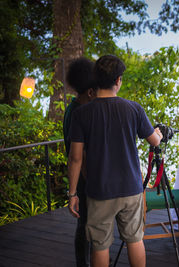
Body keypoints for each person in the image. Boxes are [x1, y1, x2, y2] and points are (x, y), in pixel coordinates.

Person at [67, 54, 163, 267]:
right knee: (135, 239)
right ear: (118, 80)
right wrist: (159, 134)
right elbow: (154, 141)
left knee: (100, 245)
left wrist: (73, 193)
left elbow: (75, 159)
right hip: (131, 188)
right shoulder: (134, 109)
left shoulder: (81, 114)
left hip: (99, 190)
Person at [63, 57, 96, 267]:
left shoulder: (75, 109)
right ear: (90, 91)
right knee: (85, 225)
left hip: (85, 178)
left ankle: (95, 259)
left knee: (88, 224)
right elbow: (78, 155)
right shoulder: (77, 113)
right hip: (85, 179)